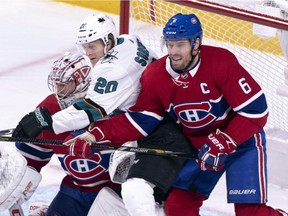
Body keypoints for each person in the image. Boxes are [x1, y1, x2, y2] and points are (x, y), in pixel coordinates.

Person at [64, 13, 288, 216]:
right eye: (169, 44)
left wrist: (225, 141)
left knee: (250, 212)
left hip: (241, 142)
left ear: (196, 43)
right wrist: (94, 135)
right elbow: (141, 120)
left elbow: (256, 111)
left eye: (179, 45)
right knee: (178, 207)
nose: (173, 52)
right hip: (201, 148)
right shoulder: (155, 76)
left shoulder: (222, 63)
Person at [11, 12, 160, 215]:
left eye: (92, 46)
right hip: (74, 190)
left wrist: (48, 123)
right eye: (58, 85)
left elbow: (87, 111)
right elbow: (30, 156)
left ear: (108, 41)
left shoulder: (113, 97)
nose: (60, 91)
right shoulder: (51, 105)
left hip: (112, 193)